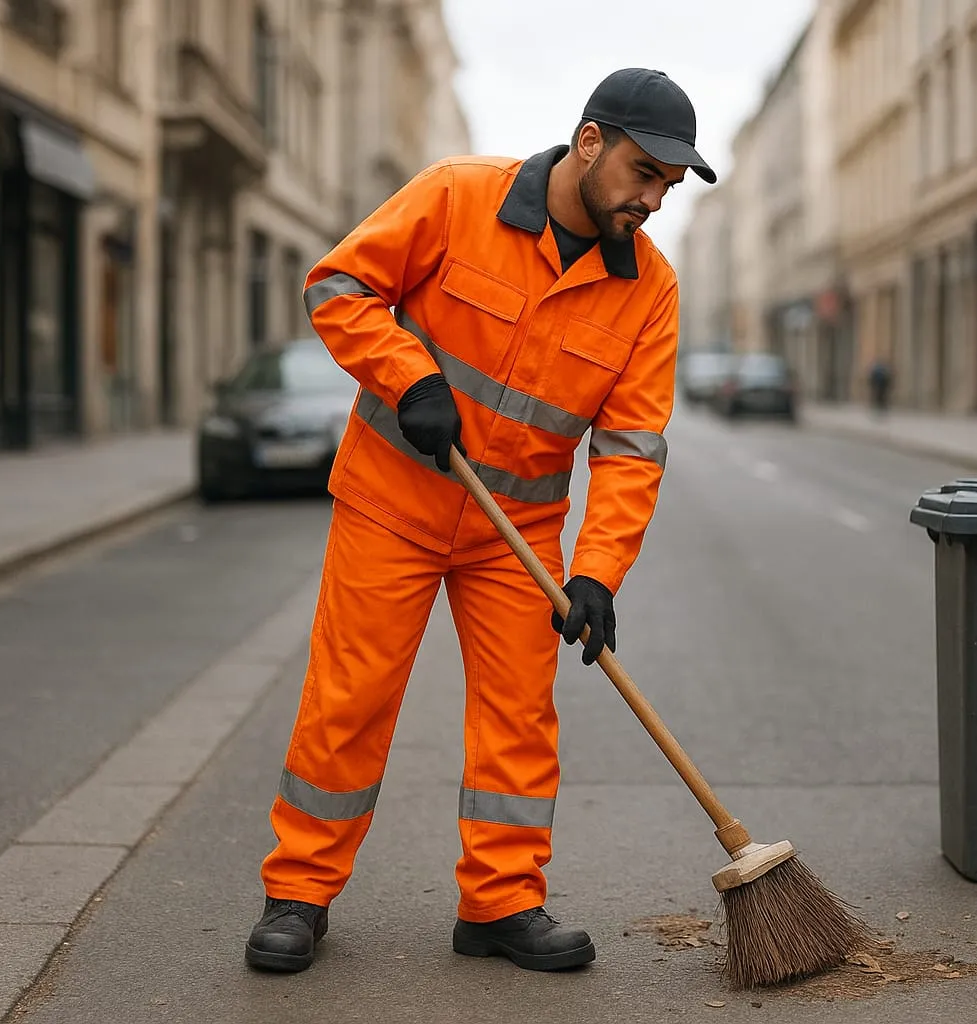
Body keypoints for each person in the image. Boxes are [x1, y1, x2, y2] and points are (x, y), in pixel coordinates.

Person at [243, 68, 716, 976]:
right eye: (645, 172)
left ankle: (500, 903)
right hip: (394, 501)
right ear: (590, 143)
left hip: (518, 534)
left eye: (668, 184)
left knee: (518, 720)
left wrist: (597, 573)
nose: (654, 198)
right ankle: (298, 893)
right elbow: (338, 285)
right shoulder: (460, 196)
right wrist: (408, 377)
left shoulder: (648, 290)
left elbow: (631, 448)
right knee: (351, 701)